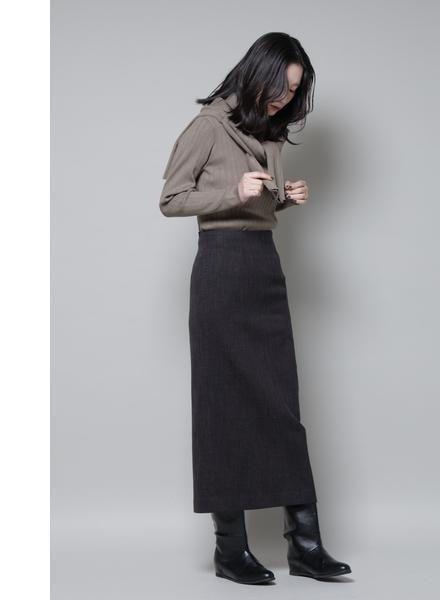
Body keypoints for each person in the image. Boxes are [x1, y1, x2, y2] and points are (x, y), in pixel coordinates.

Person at [159, 32, 351, 585]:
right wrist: (236, 192)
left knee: (281, 403)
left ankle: (305, 546)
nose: (285, 100)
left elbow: (256, 206)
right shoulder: (207, 127)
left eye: (294, 93)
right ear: (257, 74)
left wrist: (282, 200)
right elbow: (171, 200)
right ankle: (230, 549)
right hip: (220, 268)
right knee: (222, 406)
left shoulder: (266, 132)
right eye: (281, 88)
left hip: (264, 266)